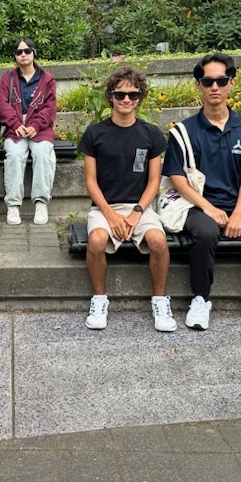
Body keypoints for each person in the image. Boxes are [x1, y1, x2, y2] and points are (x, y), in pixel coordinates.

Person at [162, 52, 241, 331]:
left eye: (221, 80)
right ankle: (200, 299)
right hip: (197, 205)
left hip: (238, 204)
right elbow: (176, 177)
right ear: (198, 85)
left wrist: (240, 214)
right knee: (206, 233)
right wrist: (208, 208)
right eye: (207, 81)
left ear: (232, 83)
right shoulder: (184, 131)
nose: (215, 87)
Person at [78, 66, 175, 331]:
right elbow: (90, 181)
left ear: (140, 97)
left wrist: (136, 213)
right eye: (119, 94)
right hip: (104, 206)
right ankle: (99, 299)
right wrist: (110, 214)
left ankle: (159, 301)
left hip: (139, 206)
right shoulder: (95, 133)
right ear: (110, 96)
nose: (126, 100)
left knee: (157, 240)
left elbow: (154, 181)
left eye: (132, 95)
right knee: (96, 241)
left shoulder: (151, 134)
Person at [0, 38, 57, 226]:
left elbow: (50, 106)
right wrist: (15, 124)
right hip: (16, 128)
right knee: (14, 155)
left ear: (34, 53)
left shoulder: (47, 79)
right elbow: (2, 105)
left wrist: (36, 125)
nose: (23, 54)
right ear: (15, 56)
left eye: (27, 51)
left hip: (40, 128)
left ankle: (41, 203)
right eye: (19, 52)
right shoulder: (8, 78)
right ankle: (13, 205)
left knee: (42, 153)